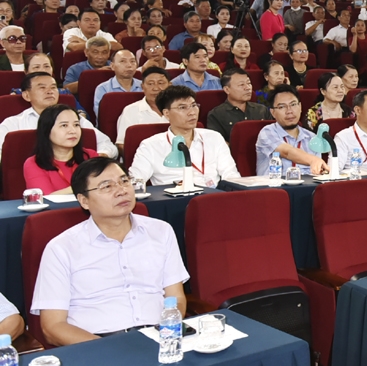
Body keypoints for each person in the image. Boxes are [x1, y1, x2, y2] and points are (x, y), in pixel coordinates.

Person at [30, 157, 188, 344]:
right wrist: (106, 349)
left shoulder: (161, 231)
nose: (121, 190)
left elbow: (176, 297)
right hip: (96, 344)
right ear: (84, 201)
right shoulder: (61, 248)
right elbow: (53, 327)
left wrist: (167, 332)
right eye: (107, 187)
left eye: (124, 181)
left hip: (158, 337)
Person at [129, 86, 239, 187]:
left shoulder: (214, 138)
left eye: (194, 105)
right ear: (167, 113)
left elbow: (231, 175)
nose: (192, 112)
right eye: (182, 107)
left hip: (212, 199)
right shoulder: (151, 146)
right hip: (174, 202)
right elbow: (135, 182)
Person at [0, 72, 116, 160]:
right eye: (42, 88)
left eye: (53, 87)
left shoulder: (75, 119)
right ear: (26, 95)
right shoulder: (13, 124)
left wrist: (99, 156)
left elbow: (107, 144)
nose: (50, 91)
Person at [255, 85, 329, 176]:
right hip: (274, 188)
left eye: (293, 104)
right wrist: (312, 160)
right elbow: (286, 152)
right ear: (273, 112)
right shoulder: (267, 132)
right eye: (282, 107)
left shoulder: (312, 138)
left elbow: (317, 172)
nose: (289, 111)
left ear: (300, 107)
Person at [23, 104, 97, 194]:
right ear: (47, 130)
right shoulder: (34, 163)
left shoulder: (90, 156)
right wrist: (88, 186)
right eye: (64, 125)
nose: (73, 131)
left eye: (76, 125)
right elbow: (46, 198)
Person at [205, 69, 270, 141]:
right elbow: (217, 144)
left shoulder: (262, 110)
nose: (248, 88)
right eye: (241, 85)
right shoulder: (216, 115)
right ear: (227, 89)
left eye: (248, 83)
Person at [116, 67, 170, 147]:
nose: (156, 88)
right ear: (142, 87)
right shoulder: (131, 110)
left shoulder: (180, 109)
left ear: (169, 85)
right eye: (150, 84)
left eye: (161, 83)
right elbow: (122, 144)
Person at [92, 48, 140, 120]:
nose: (129, 65)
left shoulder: (144, 86)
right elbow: (102, 116)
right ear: (112, 66)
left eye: (132, 61)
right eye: (123, 61)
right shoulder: (103, 88)